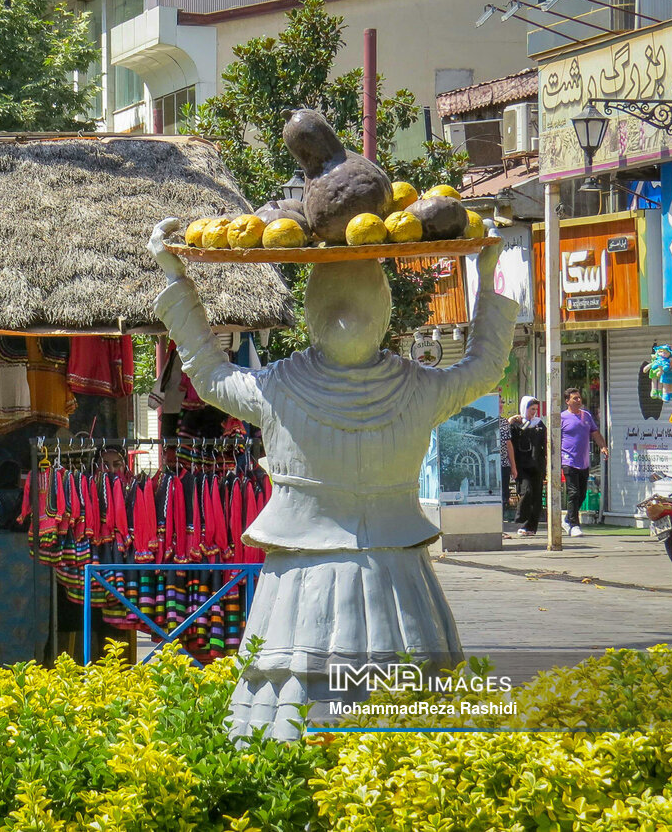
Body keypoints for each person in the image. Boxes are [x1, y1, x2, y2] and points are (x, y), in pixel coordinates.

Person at [148, 218, 517, 741]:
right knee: (414, 714)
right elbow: (484, 368)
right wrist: (485, 275)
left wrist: (176, 277)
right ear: (387, 311)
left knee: (288, 706)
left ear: (309, 314)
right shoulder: (420, 388)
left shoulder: (275, 388)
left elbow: (208, 373)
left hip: (301, 582)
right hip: (398, 578)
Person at [560, 388, 609, 537]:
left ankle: (568, 519)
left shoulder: (586, 416)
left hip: (583, 461)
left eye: (579, 398)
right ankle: (574, 525)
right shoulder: (561, 417)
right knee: (573, 492)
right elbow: (552, 438)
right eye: (575, 398)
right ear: (567, 401)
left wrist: (603, 446)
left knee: (581, 494)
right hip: (567, 460)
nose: (579, 401)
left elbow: (595, 433)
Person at [509, 396, 546, 536]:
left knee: (537, 496)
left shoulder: (539, 424)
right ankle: (521, 521)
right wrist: (511, 421)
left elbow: (546, 443)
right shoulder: (516, 425)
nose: (533, 413)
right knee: (526, 491)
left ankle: (531, 527)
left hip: (537, 464)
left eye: (536, 410)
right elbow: (506, 439)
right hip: (522, 465)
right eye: (531, 409)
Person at [498, 395, 516, 520]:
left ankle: (501, 524)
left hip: (503, 464)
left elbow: (509, 444)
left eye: (501, 402)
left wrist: (513, 466)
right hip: (490, 465)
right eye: (498, 403)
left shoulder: (504, 422)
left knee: (504, 495)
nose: (500, 405)